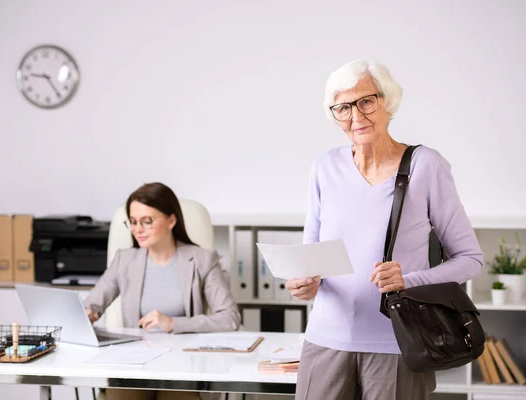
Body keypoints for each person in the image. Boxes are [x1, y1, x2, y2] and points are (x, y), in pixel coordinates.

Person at [286, 60, 484, 400]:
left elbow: (471, 259)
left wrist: (409, 278)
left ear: (387, 102)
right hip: (325, 341)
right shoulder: (324, 167)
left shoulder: (425, 165)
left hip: (399, 343)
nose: (356, 116)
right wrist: (304, 283)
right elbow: (312, 258)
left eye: (366, 101)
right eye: (343, 107)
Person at [84, 182, 240, 400]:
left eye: (147, 221)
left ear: (171, 220)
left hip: (184, 364)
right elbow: (92, 305)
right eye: (133, 222)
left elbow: (230, 318)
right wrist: (87, 314)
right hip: (136, 364)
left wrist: (174, 324)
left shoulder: (202, 260)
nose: (138, 229)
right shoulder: (124, 260)